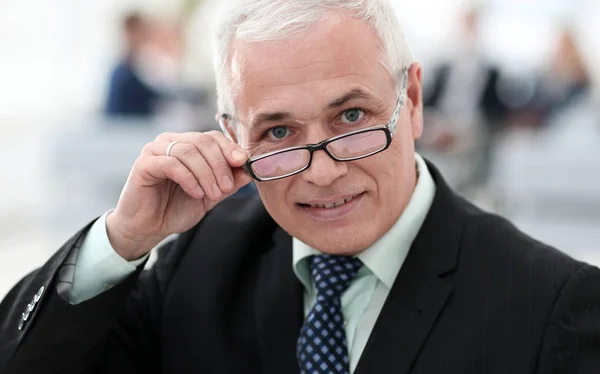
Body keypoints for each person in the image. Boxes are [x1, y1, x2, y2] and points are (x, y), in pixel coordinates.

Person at [1, 1, 599, 373]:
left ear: (410, 102)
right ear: (232, 136)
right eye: (279, 130)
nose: (321, 170)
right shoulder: (198, 265)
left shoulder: (549, 305)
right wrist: (122, 237)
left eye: (352, 118)